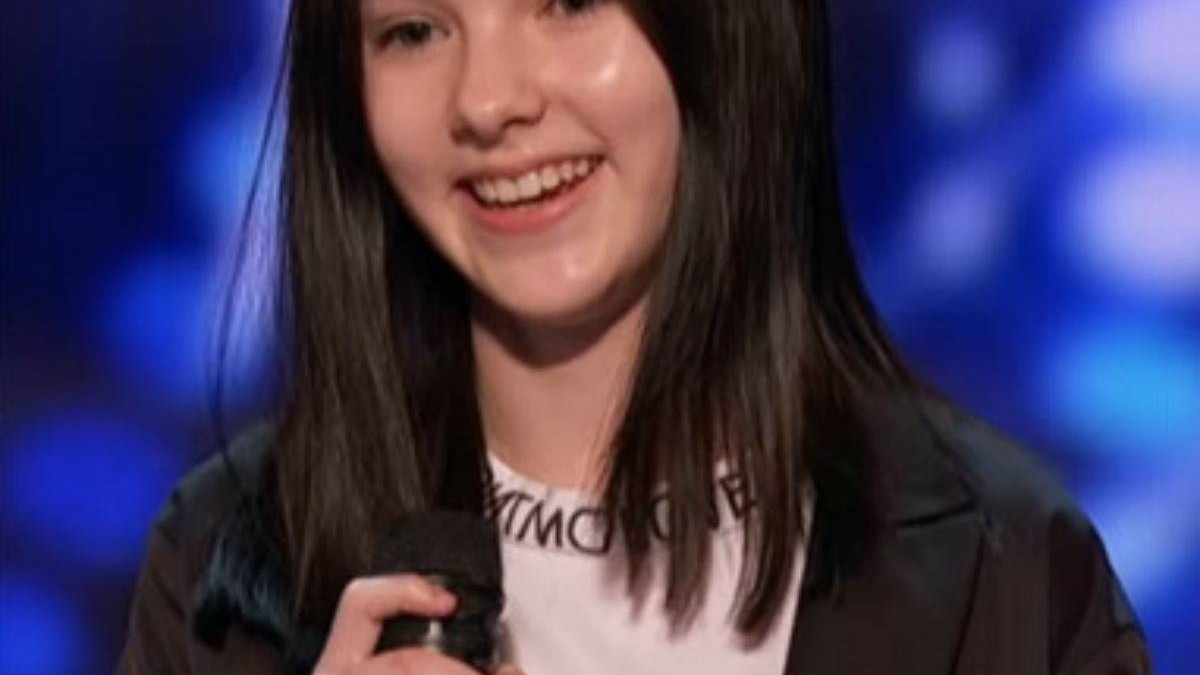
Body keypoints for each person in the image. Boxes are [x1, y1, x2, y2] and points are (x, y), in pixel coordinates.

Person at [118, 0, 1151, 673]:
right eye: (416, 30)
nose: (488, 101)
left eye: (567, 4)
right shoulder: (222, 572)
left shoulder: (1000, 566)